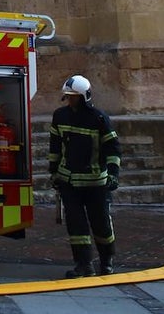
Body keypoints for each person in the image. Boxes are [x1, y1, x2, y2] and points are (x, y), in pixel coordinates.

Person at [47, 74, 121, 277]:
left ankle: (106, 261)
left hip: (96, 183)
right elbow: (55, 147)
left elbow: (113, 148)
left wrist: (113, 174)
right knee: (76, 226)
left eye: (74, 97)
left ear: (84, 97)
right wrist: (53, 171)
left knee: (101, 225)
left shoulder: (99, 119)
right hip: (69, 182)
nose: (70, 100)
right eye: (68, 96)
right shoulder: (59, 116)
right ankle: (83, 264)